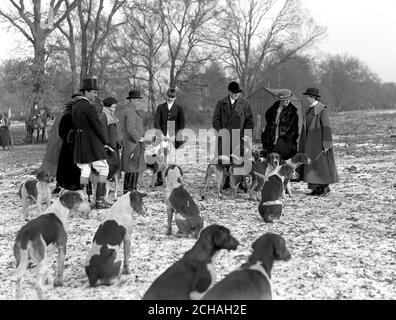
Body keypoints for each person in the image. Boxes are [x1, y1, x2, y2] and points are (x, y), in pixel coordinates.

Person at [72, 78, 112, 209]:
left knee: (85, 169)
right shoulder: (89, 107)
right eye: (94, 92)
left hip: (80, 142)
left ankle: (84, 200)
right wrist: (105, 142)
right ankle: (100, 200)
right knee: (104, 168)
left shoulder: (76, 106)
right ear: (86, 92)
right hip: (91, 142)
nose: (95, 95)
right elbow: (97, 126)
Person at [212, 81, 254, 189]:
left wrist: (246, 135)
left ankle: (239, 182)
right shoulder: (221, 103)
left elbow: (249, 121)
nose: (236, 94)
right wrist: (221, 132)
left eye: (238, 92)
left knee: (238, 160)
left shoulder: (245, 103)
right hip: (224, 136)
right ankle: (224, 181)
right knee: (224, 159)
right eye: (234, 92)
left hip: (239, 137)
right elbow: (216, 120)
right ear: (229, 91)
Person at [299, 87, 339, 196]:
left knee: (322, 166)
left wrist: (326, 143)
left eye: (307, 96)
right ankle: (315, 189)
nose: (306, 98)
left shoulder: (322, 110)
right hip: (309, 144)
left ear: (312, 97)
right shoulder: (309, 110)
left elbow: (327, 127)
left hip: (319, 144)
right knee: (311, 166)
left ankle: (325, 188)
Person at [153, 87, 186, 186]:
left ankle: (171, 177)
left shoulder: (179, 108)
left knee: (170, 158)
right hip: (161, 134)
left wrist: (174, 135)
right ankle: (159, 178)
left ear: (175, 98)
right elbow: (156, 122)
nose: (170, 98)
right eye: (169, 96)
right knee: (160, 156)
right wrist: (160, 134)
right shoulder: (160, 107)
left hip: (172, 133)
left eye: (172, 97)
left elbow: (182, 124)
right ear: (166, 96)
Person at [120, 90, 148, 193]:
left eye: (139, 100)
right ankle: (130, 192)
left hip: (133, 144)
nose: (138, 102)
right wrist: (139, 138)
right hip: (133, 144)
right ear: (131, 100)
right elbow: (130, 128)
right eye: (136, 100)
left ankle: (130, 191)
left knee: (133, 169)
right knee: (132, 169)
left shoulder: (130, 110)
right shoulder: (130, 111)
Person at [261, 89, 299, 160]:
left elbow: (294, 131)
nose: (288, 101)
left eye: (289, 99)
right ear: (280, 100)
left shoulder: (292, 113)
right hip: (271, 143)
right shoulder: (272, 111)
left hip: (285, 145)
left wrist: (285, 141)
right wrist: (266, 139)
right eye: (285, 99)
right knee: (271, 167)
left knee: (284, 167)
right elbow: (268, 127)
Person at [56, 93, 83, 191]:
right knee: (69, 167)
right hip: (69, 148)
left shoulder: (82, 116)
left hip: (81, 147)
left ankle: (79, 186)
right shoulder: (67, 117)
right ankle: (68, 186)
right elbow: (62, 132)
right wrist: (73, 135)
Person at [100, 96, 122, 179]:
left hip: (114, 144)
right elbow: (103, 131)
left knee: (116, 165)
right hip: (109, 146)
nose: (115, 108)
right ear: (108, 106)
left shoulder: (111, 115)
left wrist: (118, 141)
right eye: (113, 106)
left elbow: (114, 131)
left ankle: (113, 182)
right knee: (110, 166)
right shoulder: (104, 115)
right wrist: (107, 143)